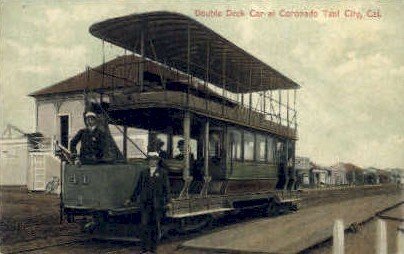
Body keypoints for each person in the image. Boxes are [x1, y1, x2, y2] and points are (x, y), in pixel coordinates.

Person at [132, 152, 171, 253]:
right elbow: (138, 187)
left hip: (157, 203)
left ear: (157, 161)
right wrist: (132, 198)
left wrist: (168, 201)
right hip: (146, 203)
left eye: (154, 160)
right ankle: (144, 249)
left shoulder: (162, 173)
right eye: (150, 160)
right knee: (144, 226)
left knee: (155, 226)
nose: (152, 162)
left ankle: (153, 249)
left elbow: (166, 188)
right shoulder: (143, 172)